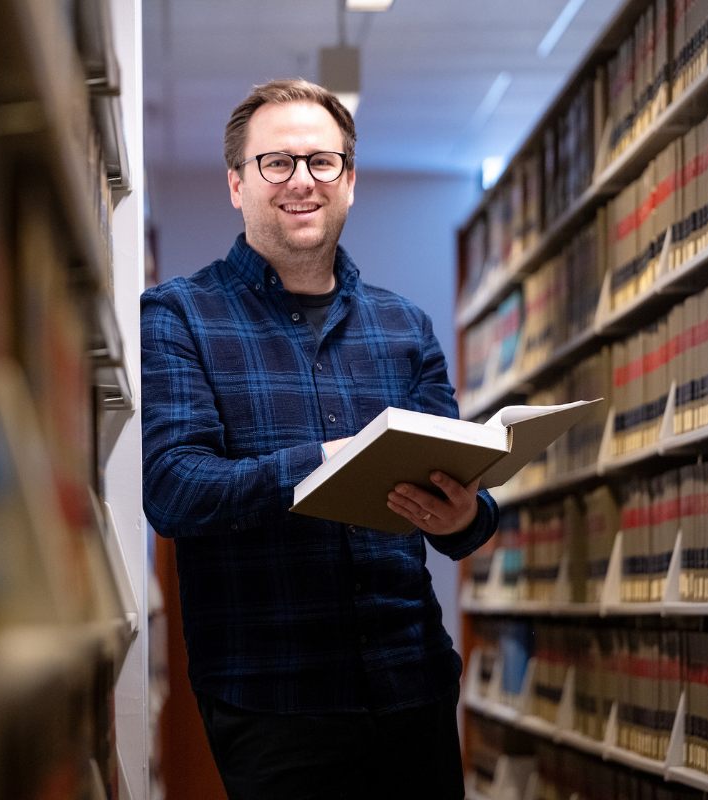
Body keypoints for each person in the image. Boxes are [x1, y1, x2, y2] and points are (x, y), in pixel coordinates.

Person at [141, 78, 498, 800]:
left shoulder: (406, 327)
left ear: (350, 181)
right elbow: (174, 489)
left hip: (413, 687)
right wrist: (324, 464)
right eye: (277, 163)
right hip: (273, 697)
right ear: (236, 185)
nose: (301, 180)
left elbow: (467, 509)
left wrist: (467, 516)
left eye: (322, 162)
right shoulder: (177, 314)